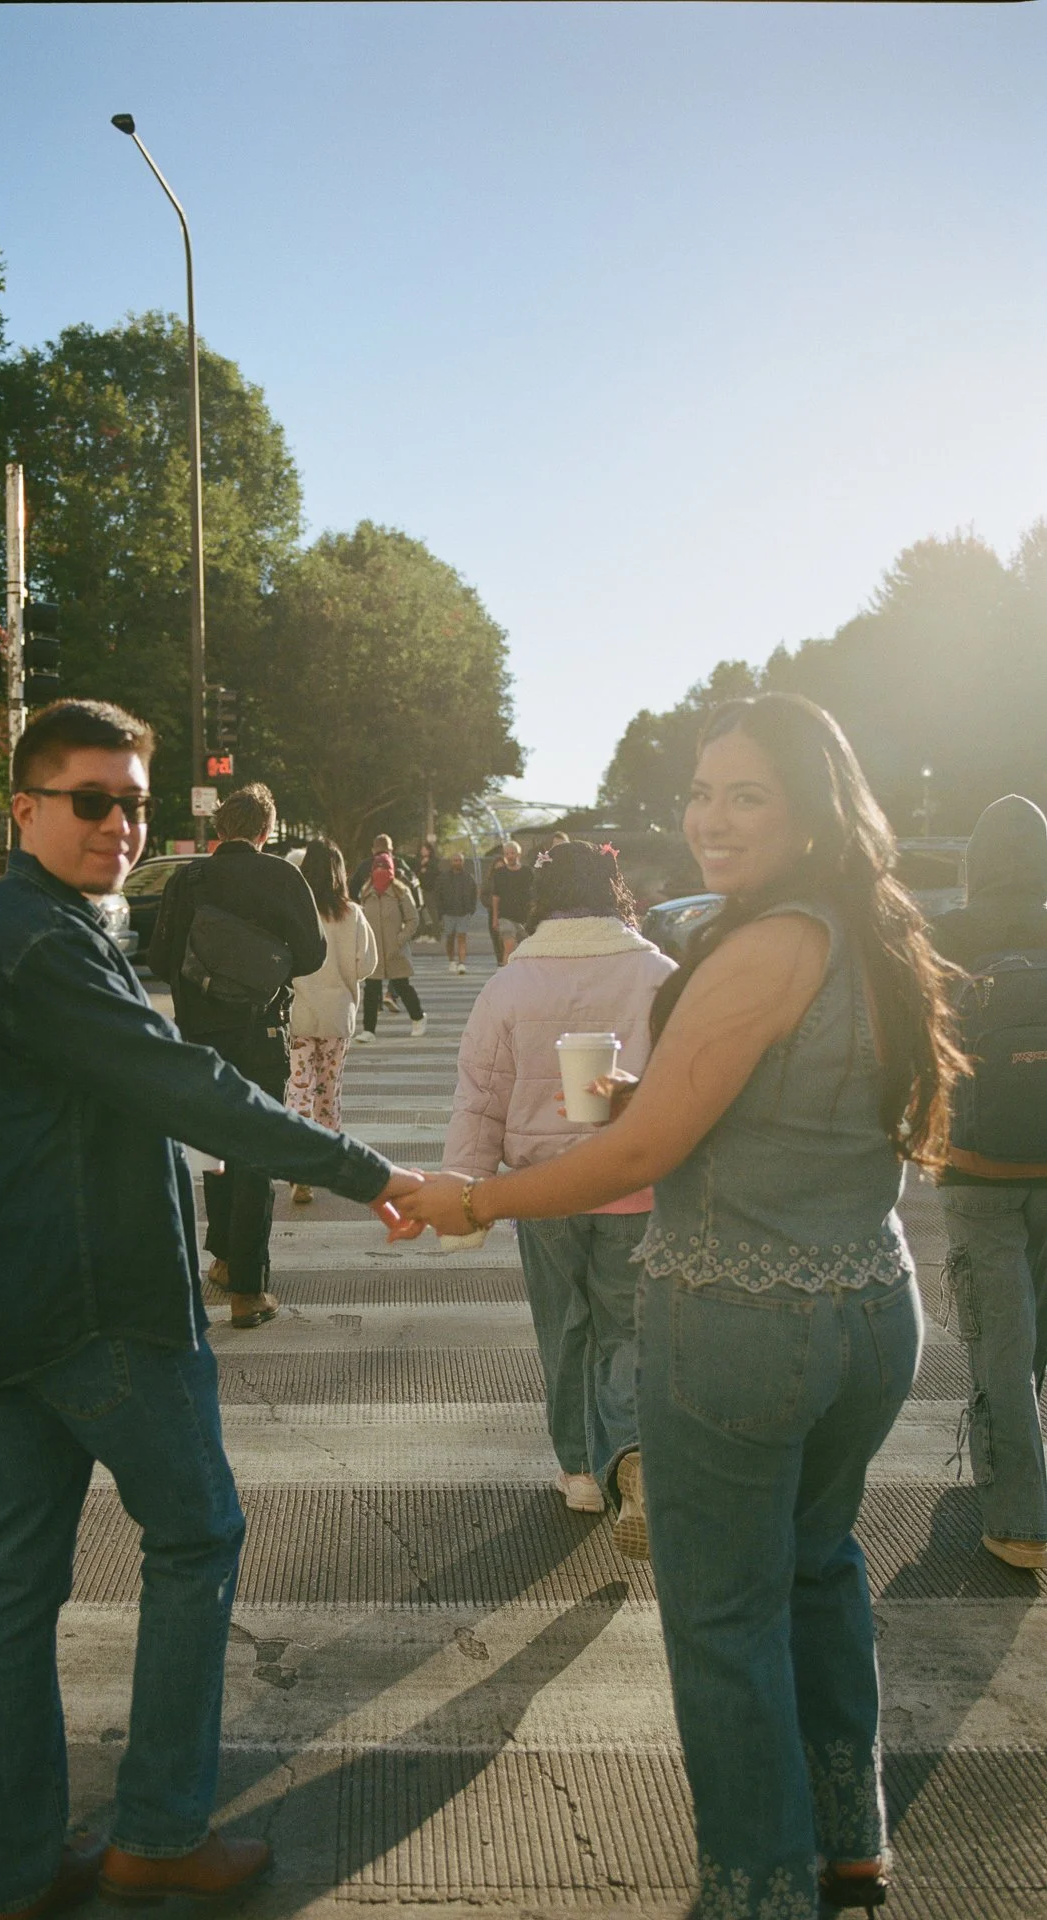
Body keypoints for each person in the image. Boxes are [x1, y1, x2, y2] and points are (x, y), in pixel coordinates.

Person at [395, 693, 964, 1918]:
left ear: (811, 811)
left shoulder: (761, 945)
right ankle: (844, 1840)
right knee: (817, 1572)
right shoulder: (871, 932)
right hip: (869, 1307)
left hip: (739, 1322)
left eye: (745, 794)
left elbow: (635, 1155)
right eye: (703, 791)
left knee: (719, 1616)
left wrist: (476, 1198)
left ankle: (756, 1889)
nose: (710, 817)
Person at [0, 701, 420, 1920]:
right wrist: (374, 1174)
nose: (119, 824)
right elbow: (185, 1085)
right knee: (194, 1537)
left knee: (17, 1580)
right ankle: (155, 1830)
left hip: (1, 1298)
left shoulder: (38, 925)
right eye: (91, 800)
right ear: (25, 809)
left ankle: (18, 1861)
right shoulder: (40, 943)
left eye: (134, 802)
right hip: (95, 1303)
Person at [442, 841, 675, 1515]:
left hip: (541, 1193)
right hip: (636, 1184)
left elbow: (480, 1096)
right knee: (630, 1327)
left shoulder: (510, 983)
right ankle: (631, 1456)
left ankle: (578, 1471)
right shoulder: (660, 974)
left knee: (565, 1326)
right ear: (615, 889)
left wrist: (465, 1193)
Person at [149, 782, 325, 1328]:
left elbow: (159, 957)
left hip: (200, 1033)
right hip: (260, 1033)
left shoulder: (189, 878)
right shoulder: (281, 875)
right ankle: (249, 1290)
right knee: (256, 1150)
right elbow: (314, 954)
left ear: (219, 828)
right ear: (265, 831)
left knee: (215, 1147)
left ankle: (223, 1259)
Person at [932, 795, 1047, 1571]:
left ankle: (1020, 1520)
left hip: (975, 1169)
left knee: (1002, 1345)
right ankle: (1020, 1473)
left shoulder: (947, 935)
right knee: (1031, 1339)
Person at [286, 838, 378, 1206]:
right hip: (338, 1015)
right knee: (328, 1092)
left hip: (299, 1014)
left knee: (298, 1089)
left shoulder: (294, 910)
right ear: (340, 872)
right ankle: (325, 1163)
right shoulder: (352, 913)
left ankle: (297, 1168)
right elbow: (367, 964)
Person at [357, 851, 426, 1043]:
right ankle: (368, 1030)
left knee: (403, 987)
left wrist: (400, 939)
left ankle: (418, 1018)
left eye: (385, 868)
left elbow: (413, 919)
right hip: (374, 950)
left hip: (395, 949)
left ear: (391, 870)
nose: (380, 871)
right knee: (371, 990)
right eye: (377, 867)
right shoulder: (366, 891)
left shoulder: (400, 891)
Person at [486, 841, 534, 965]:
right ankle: (504, 975)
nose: (510, 856)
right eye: (507, 853)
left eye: (512, 853)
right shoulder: (500, 873)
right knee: (509, 946)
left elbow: (533, 895)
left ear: (518, 854)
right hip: (505, 916)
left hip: (524, 916)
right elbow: (496, 897)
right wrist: (495, 918)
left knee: (526, 949)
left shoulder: (527, 872)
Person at [437, 853, 479, 973]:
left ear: (463, 862)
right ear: (451, 862)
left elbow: (474, 894)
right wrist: (441, 911)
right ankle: (451, 961)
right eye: (455, 860)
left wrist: (471, 909)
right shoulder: (443, 877)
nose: (457, 862)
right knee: (450, 938)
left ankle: (461, 963)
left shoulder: (468, 877)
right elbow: (438, 895)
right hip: (448, 912)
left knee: (462, 937)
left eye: (459, 860)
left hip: (463, 912)